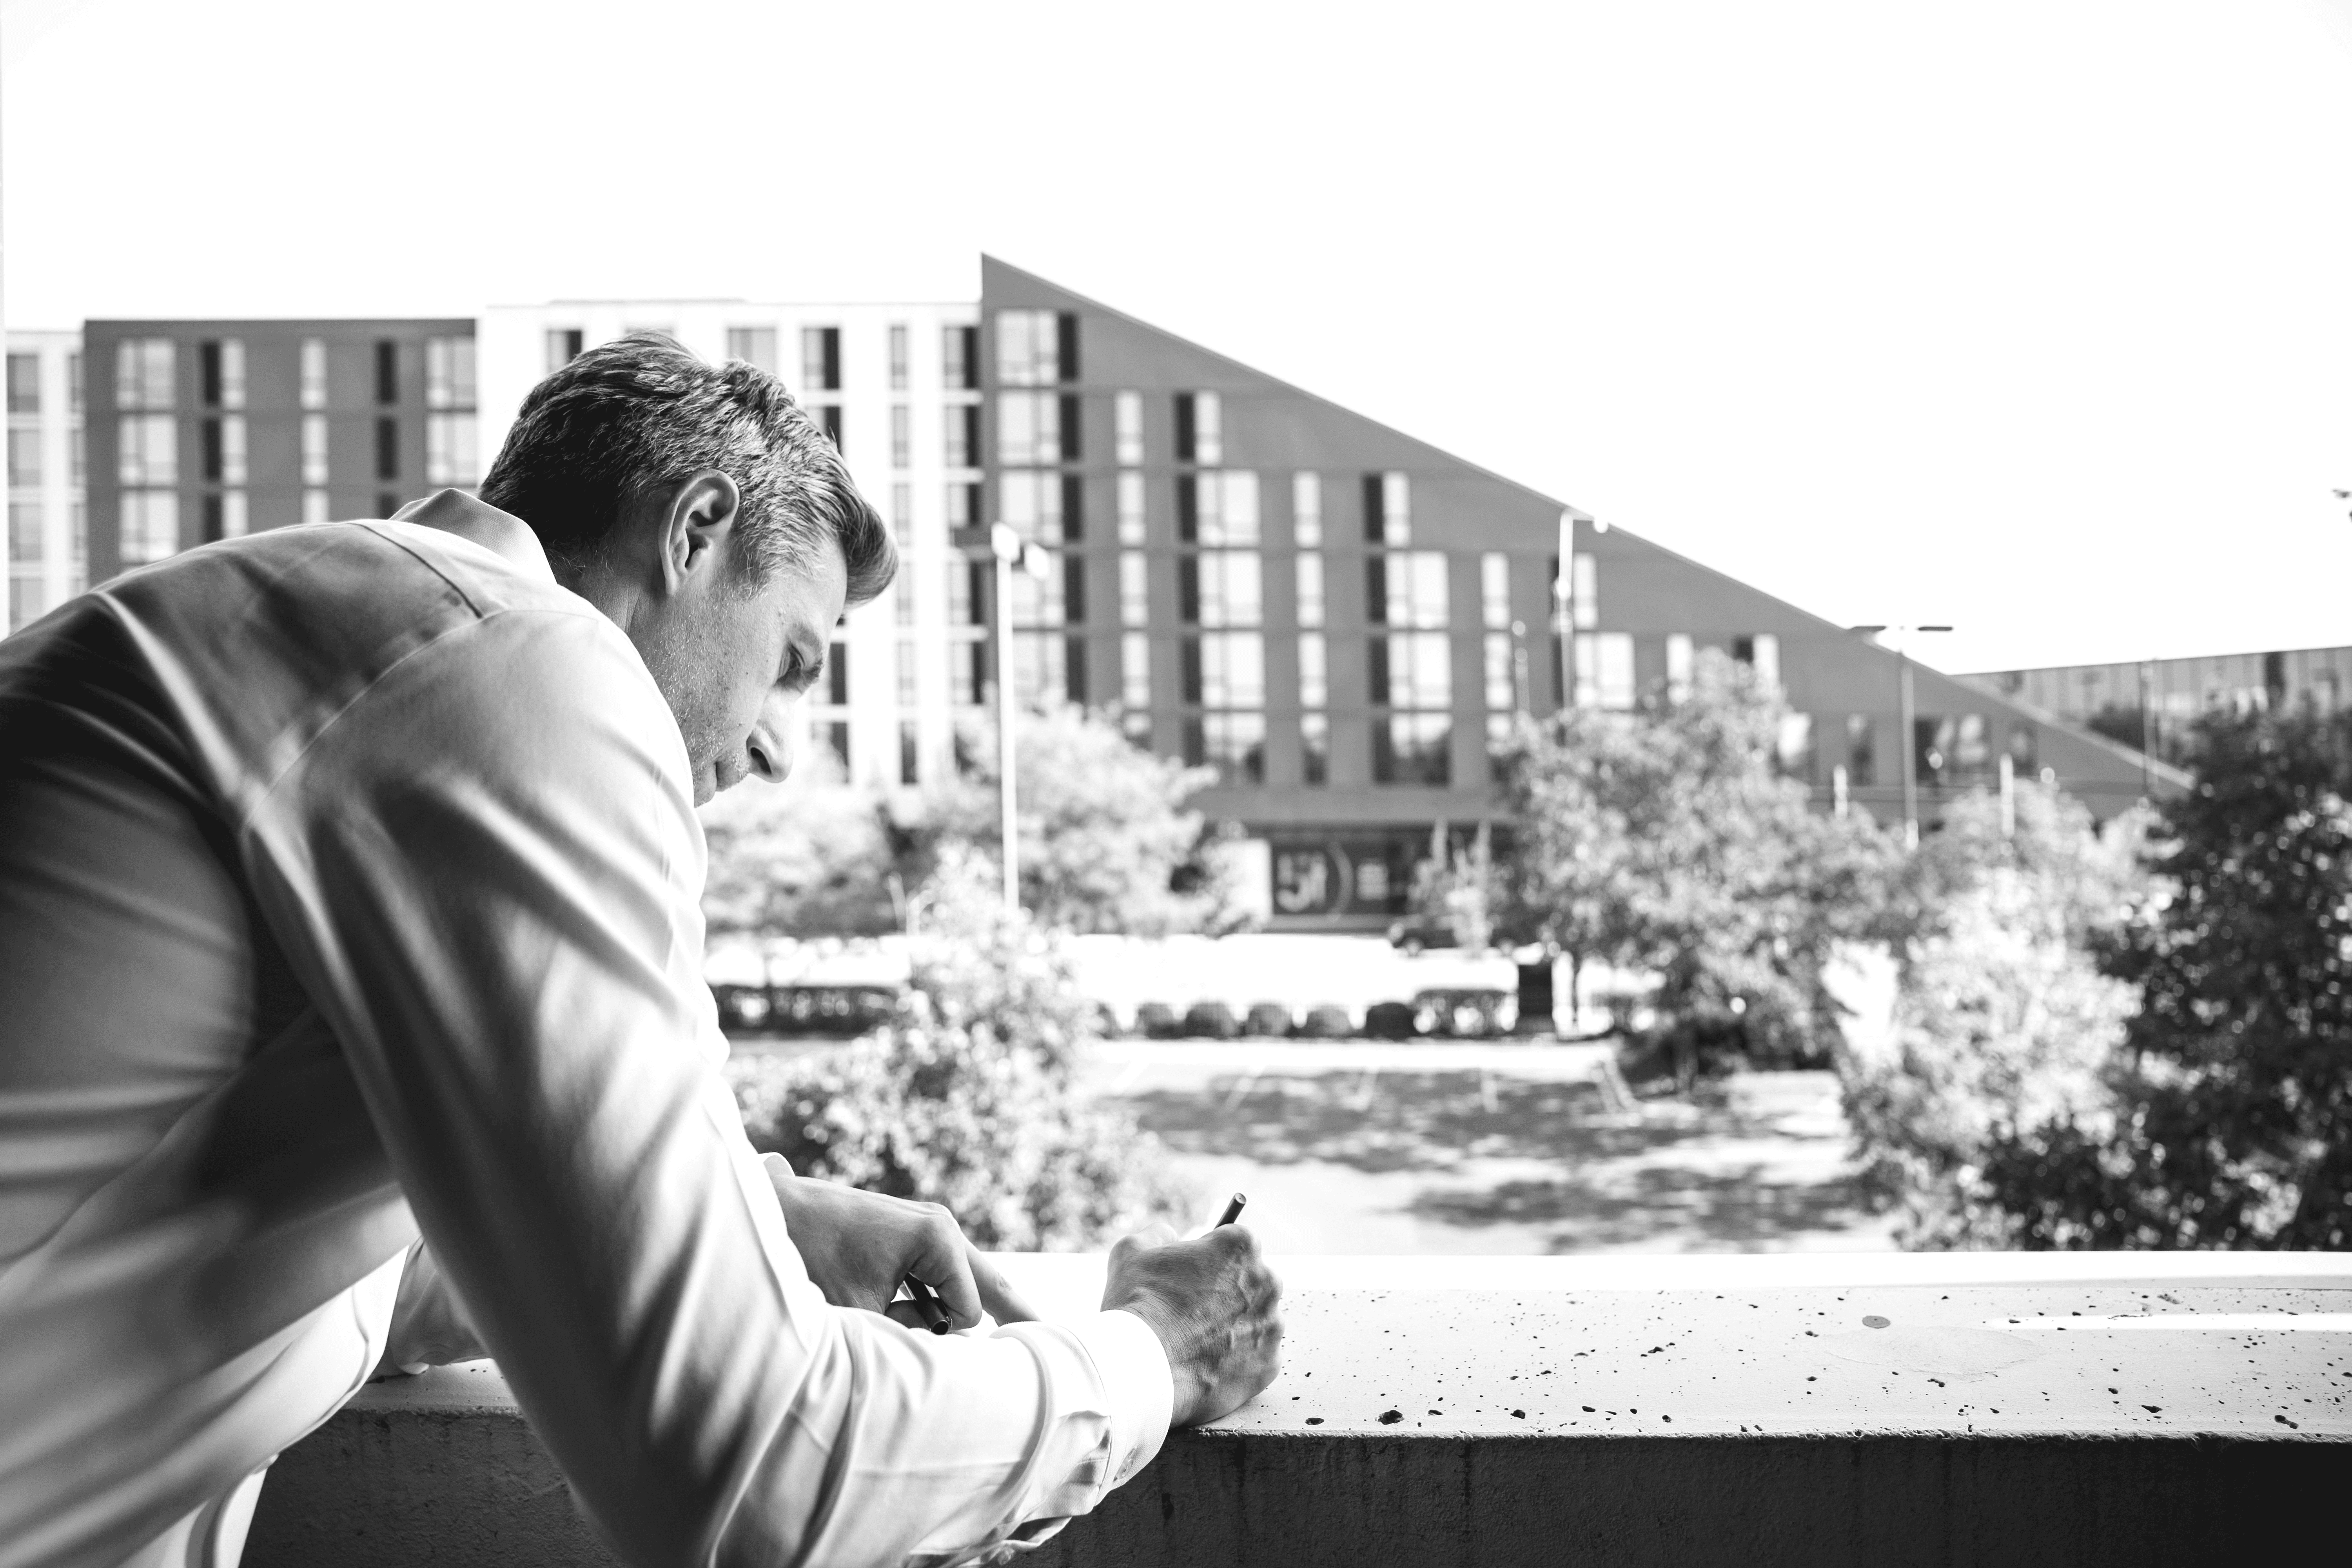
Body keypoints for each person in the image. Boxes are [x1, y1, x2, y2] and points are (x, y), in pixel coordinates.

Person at [0, 333, 1282, 1568]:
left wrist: (759, 1220)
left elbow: (202, 1244)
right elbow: (754, 1469)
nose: (784, 743)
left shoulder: (293, 629)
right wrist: (1154, 1354)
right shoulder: (515, 656)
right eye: (792, 661)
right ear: (696, 528)